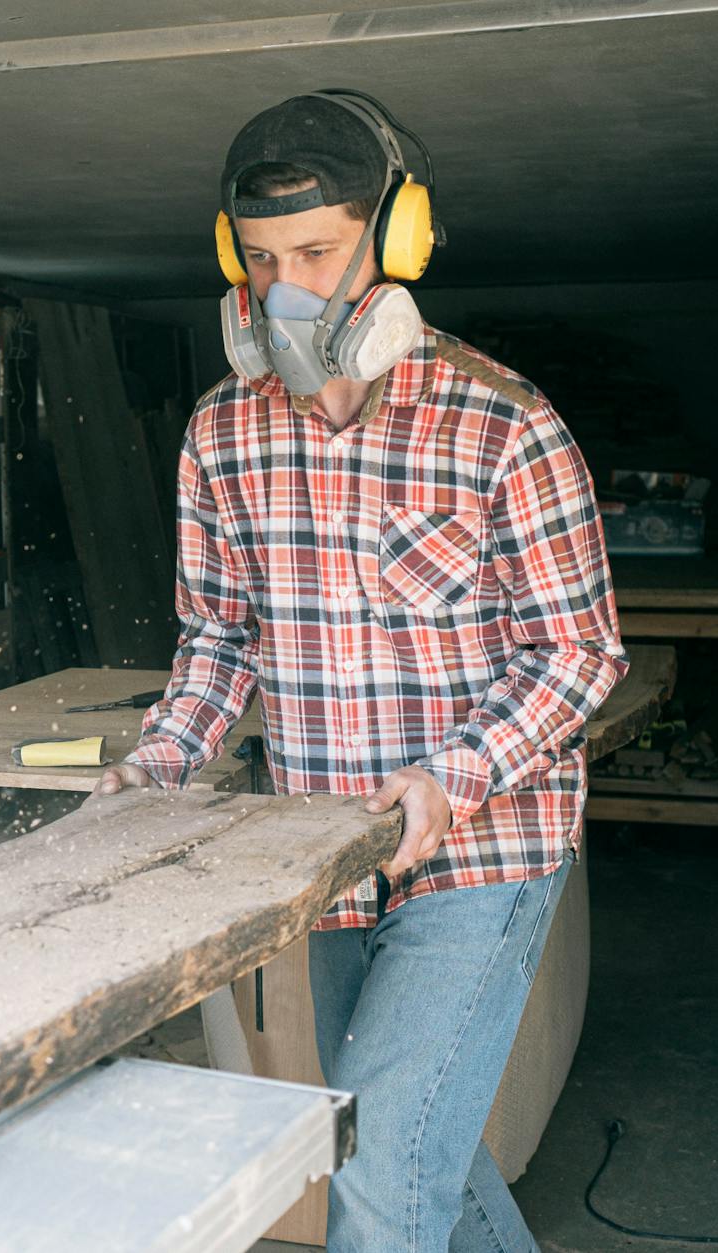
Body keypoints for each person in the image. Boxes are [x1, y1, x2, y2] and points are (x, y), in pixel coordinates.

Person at [93, 89, 628, 1251]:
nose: (287, 290)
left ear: (393, 245)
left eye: (320, 252)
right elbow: (219, 636)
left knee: (378, 1174)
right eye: (263, 259)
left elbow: (576, 652)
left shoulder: (502, 424)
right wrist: (161, 760)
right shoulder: (221, 432)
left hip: (482, 848)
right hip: (324, 846)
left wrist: (452, 773)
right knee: (401, 1142)